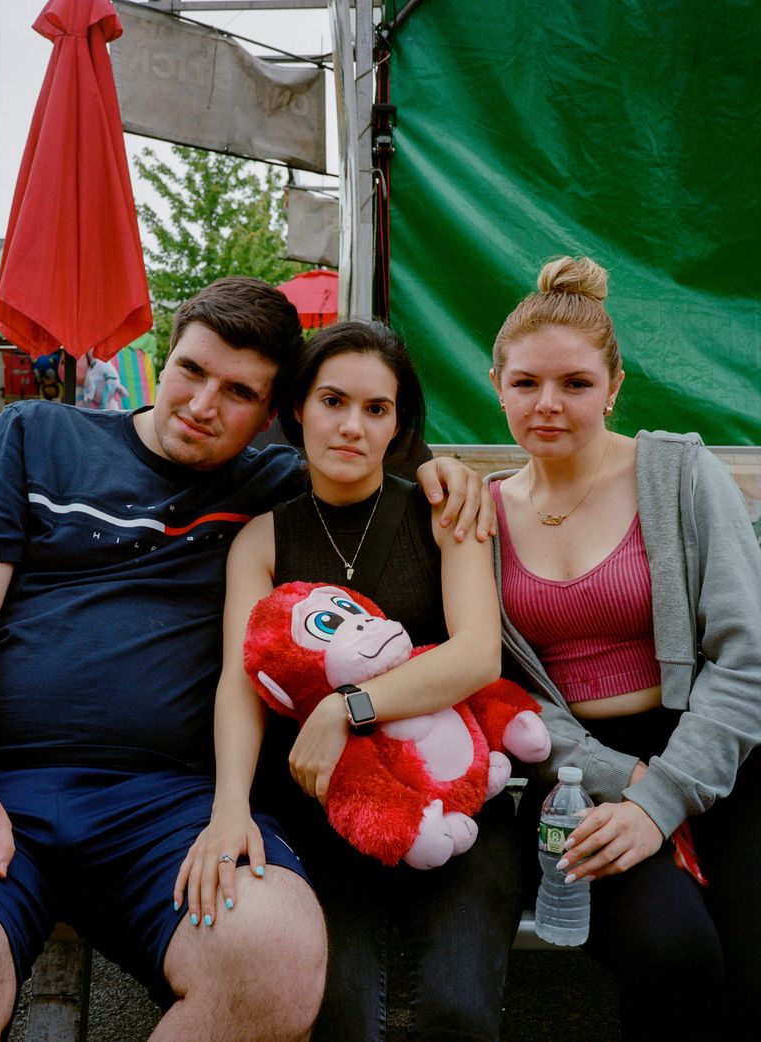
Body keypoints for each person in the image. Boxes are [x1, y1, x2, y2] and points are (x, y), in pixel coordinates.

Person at [0, 277, 490, 1042]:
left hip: (169, 803)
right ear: (164, 357)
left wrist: (449, 472)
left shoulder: (272, 489)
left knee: (273, 957)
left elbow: (372, 456)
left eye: (239, 393)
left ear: (273, 417)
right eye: (191, 370)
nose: (203, 405)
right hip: (3, 785)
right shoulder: (37, 436)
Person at [177, 319, 523, 1042]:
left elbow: (476, 656)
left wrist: (348, 708)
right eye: (333, 401)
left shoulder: (443, 512)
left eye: (376, 408)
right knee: (341, 1017)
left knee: (457, 1012)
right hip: (323, 809)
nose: (352, 426)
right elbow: (242, 680)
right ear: (298, 407)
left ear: (398, 424)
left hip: (455, 797)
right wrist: (230, 806)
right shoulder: (263, 539)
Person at [487, 255, 761, 1041]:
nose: (547, 403)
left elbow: (748, 658)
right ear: (497, 385)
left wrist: (660, 798)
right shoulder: (481, 515)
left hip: (719, 751)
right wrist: (616, 782)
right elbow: (498, 685)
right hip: (576, 777)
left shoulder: (679, 473)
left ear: (614, 388)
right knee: (671, 951)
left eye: (575, 383)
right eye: (526, 383)